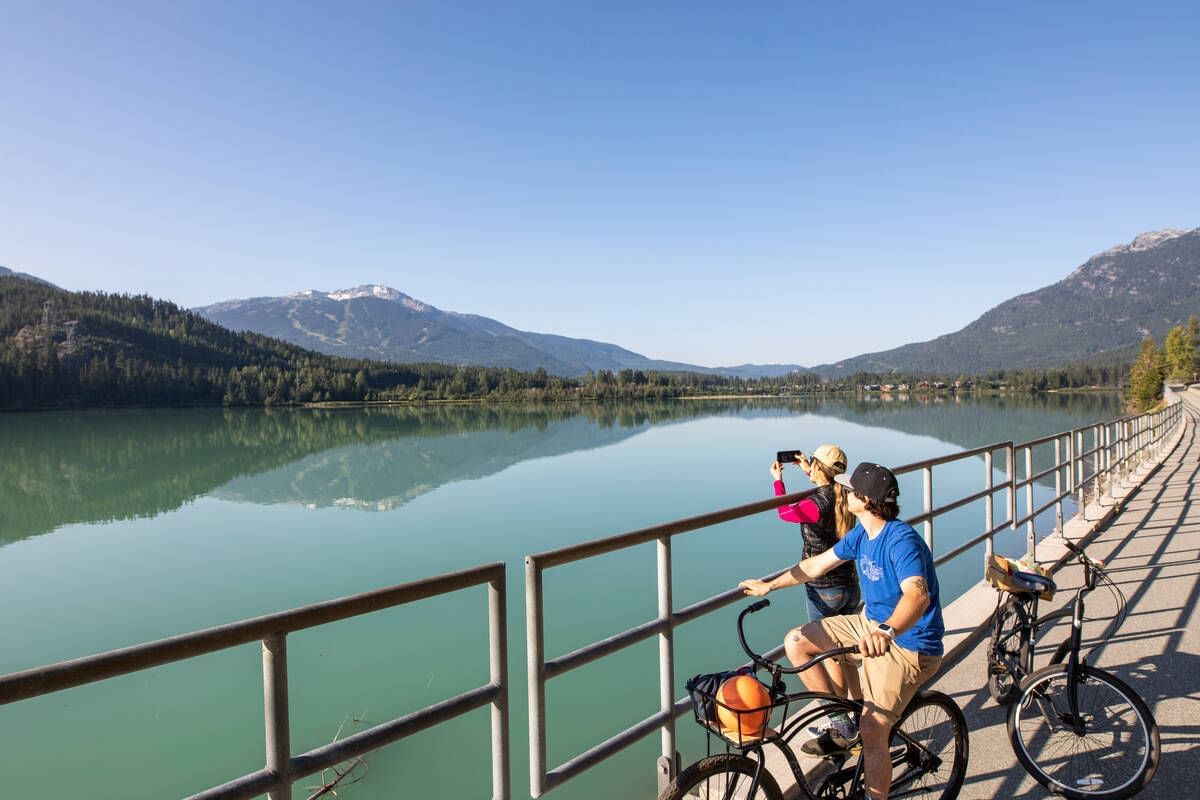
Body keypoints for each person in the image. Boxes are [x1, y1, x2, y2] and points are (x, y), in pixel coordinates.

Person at [739, 462, 944, 800]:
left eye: (849, 489)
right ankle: (843, 721)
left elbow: (917, 595)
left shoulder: (901, 540)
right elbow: (816, 565)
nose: (843, 491)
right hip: (869, 626)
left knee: (874, 731)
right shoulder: (862, 533)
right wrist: (769, 585)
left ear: (865, 500)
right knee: (797, 642)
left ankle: (867, 754)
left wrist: (888, 632)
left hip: (909, 643)